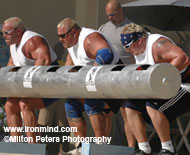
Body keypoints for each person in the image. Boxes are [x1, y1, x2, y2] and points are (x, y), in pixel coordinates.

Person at [120, 23, 190, 155]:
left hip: (184, 86)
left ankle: (168, 149)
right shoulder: (138, 50)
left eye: (128, 46)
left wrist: (163, 75)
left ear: (140, 40)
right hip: (162, 89)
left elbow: (183, 58)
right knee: (130, 105)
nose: (127, 50)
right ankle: (144, 149)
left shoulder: (158, 45)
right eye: (124, 47)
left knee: (153, 105)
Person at [57, 17, 123, 152]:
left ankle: (101, 146)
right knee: (71, 105)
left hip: (113, 78)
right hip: (91, 84)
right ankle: (81, 146)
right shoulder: (70, 45)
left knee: (91, 103)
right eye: (59, 36)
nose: (60, 39)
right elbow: (69, 66)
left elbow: (106, 54)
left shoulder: (89, 38)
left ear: (74, 32)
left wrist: (91, 73)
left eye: (63, 36)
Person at [2, 17, 58, 143]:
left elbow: (43, 65)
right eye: (3, 33)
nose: (4, 36)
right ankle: (17, 145)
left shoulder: (32, 41)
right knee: (10, 106)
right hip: (31, 84)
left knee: (25, 103)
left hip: (51, 82)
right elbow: (10, 68)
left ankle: (33, 146)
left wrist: (23, 89)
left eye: (6, 33)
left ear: (18, 31)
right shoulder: (13, 44)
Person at [98, 0, 136, 147]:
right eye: (107, 15)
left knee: (127, 113)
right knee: (106, 112)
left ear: (120, 11)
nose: (109, 18)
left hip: (127, 76)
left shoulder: (131, 28)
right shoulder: (103, 28)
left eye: (112, 15)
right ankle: (103, 147)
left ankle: (131, 148)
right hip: (108, 77)